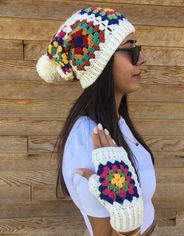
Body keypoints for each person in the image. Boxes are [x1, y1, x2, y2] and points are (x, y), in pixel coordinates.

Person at [36, 6, 157, 236]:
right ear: (99, 63)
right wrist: (128, 225)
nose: (142, 58)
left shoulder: (116, 120)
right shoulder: (89, 144)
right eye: (131, 49)